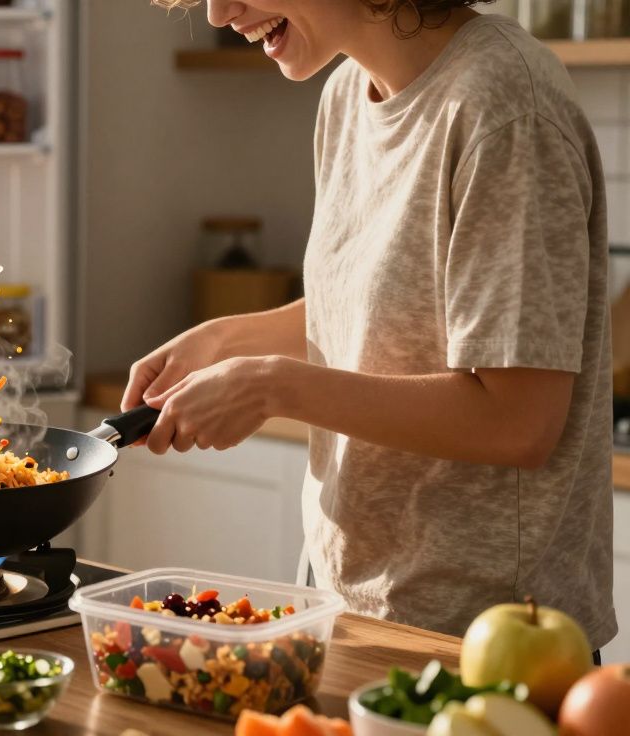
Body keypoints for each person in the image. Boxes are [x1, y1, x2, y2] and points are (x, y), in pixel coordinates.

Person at [125, 0, 616, 653]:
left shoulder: (505, 108)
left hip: (483, 642)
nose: (219, 12)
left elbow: (519, 420)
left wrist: (276, 387)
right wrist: (225, 340)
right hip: (351, 609)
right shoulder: (347, 95)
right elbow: (380, 305)